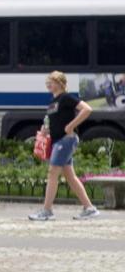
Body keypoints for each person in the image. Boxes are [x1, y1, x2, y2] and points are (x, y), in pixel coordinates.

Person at [31, 71, 102, 221]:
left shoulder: (66, 98)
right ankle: (89, 208)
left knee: (52, 172)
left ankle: (47, 211)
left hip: (66, 140)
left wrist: (71, 126)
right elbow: (54, 121)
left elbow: (87, 109)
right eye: (48, 82)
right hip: (58, 140)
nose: (48, 84)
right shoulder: (53, 102)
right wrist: (46, 130)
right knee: (70, 176)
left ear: (60, 83)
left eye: (51, 81)